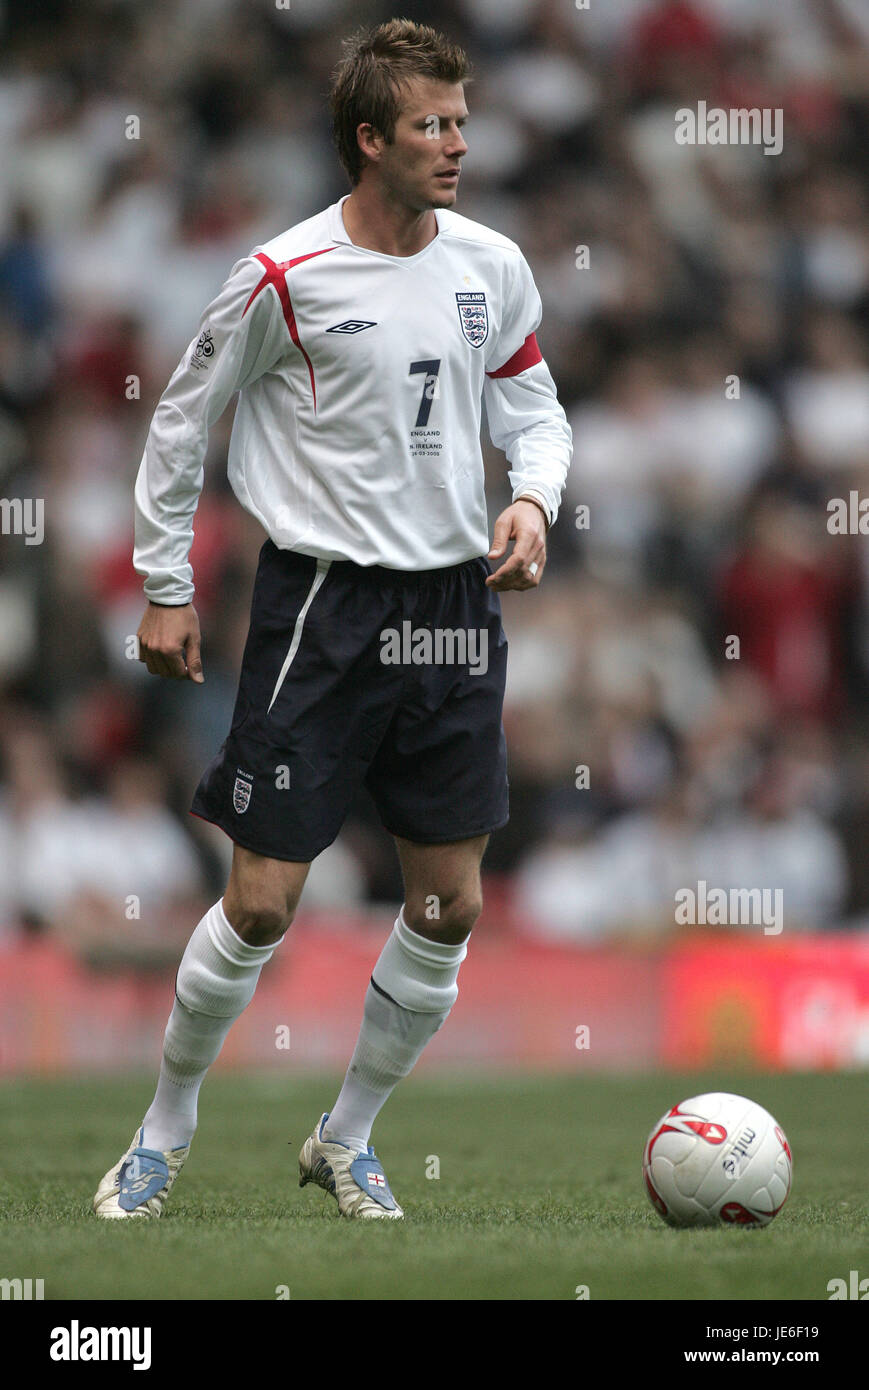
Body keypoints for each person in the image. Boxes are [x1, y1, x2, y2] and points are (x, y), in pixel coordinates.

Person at [94, 18, 572, 1222]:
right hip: (322, 603)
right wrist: (163, 581)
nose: (457, 143)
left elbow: (535, 410)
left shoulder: (490, 264)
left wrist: (529, 498)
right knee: (260, 901)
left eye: (462, 121)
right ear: (370, 140)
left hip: (454, 606)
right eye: (432, 126)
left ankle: (345, 1136)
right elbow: (177, 416)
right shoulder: (282, 278)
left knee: (446, 902)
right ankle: (163, 1127)